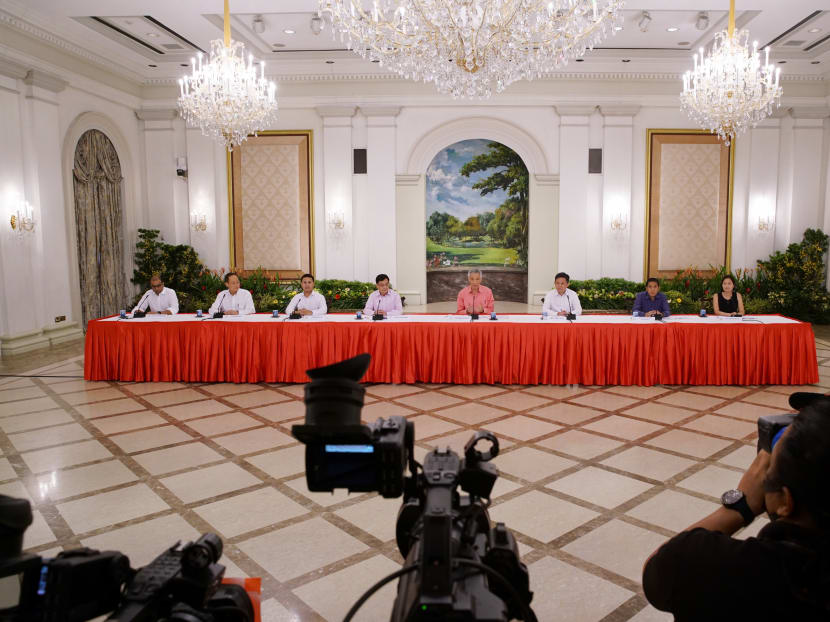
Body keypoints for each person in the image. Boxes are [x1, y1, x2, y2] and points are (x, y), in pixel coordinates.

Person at [642, 398, 830, 620]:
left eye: (769, 472)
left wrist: (738, 507)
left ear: (785, 502)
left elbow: (655, 573)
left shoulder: (708, 564)